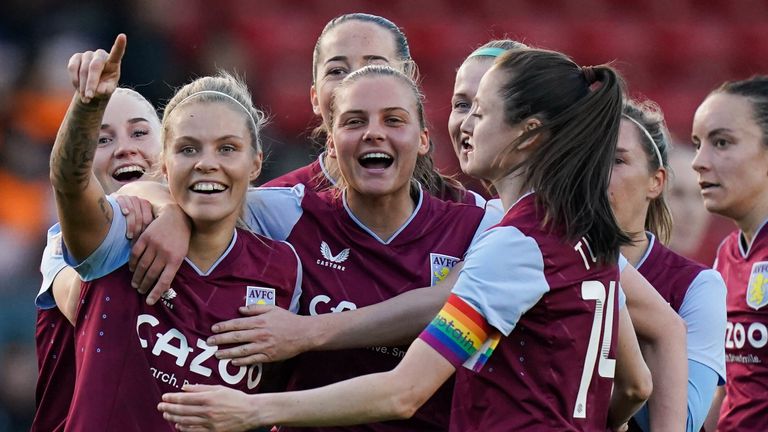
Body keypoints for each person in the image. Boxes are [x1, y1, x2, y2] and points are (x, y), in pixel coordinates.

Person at [158, 48, 651, 431]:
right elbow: (633, 385)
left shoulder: (513, 244)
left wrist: (252, 410)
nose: (465, 125)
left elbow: (403, 393)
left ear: (527, 134)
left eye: (481, 112)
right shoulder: (585, 232)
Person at [48, 34, 301, 431]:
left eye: (228, 148)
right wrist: (87, 107)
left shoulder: (285, 264)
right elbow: (69, 182)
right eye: (187, 149)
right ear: (163, 165)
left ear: (256, 164)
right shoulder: (120, 235)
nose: (206, 163)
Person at [32, 86, 162, 432]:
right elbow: (83, 303)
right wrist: (135, 196)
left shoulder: (209, 237)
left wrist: (173, 214)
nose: (124, 148)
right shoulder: (61, 241)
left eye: (140, 132)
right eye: (103, 140)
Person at [263, 13, 472, 204]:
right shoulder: (271, 211)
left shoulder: (468, 213)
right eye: (337, 71)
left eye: (375, 68)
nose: (357, 83)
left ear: (409, 84)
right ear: (315, 97)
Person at [608, 99, 727, 432]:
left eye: (617, 160)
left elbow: (684, 421)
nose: (599, 173)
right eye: (590, 159)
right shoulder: (545, 256)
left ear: (656, 182)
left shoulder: (697, 284)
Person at [692, 76, 768, 432]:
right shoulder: (729, 254)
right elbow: (729, 387)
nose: (699, 162)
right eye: (698, 144)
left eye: (721, 142)